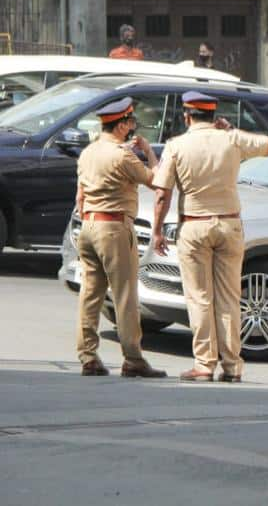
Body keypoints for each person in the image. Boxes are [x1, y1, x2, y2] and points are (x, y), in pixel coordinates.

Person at [151, 91, 268, 383]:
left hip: (194, 226)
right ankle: (232, 365)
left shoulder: (176, 145)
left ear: (186, 116)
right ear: (214, 116)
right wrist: (233, 131)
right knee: (230, 298)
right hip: (230, 224)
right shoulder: (231, 139)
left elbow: (161, 194)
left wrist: (158, 230)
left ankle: (204, 364)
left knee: (200, 298)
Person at [75, 98, 166, 378]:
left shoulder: (88, 153)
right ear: (123, 124)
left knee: (91, 293)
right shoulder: (122, 155)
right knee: (125, 295)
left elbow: (80, 197)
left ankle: (87, 355)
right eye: (131, 122)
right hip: (114, 229)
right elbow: (156, 179)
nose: (132, 127)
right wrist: (149, 152)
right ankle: (133, 358)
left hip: (88, 225)